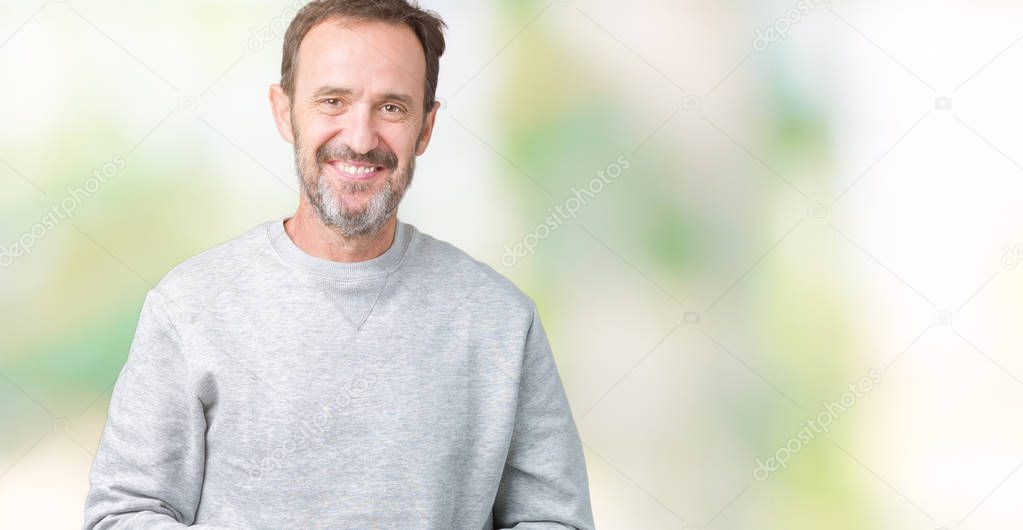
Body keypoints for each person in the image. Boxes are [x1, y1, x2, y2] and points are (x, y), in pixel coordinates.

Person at [82, 1, 594, 528]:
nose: (360, 137)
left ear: (426, 126)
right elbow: (125, 513)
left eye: (392, 107)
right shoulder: (189, 307)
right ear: (285, 111)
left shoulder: (501, 321)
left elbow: (555, 518)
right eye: (333, 100)